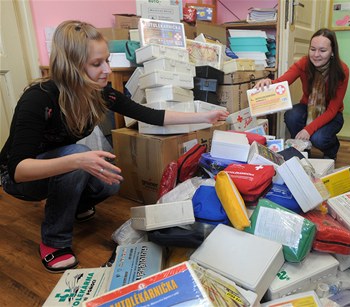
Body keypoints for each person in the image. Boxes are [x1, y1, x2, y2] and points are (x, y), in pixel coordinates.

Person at [0, 20, 228, 273]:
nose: (107, 70)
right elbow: (18, 170)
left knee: (112, 181)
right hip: (18, 178)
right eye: (97, 64)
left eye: (107, 60)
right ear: (71, 66)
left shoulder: (99, 94)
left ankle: (76, 204)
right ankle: (54, 241)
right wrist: (78, 161)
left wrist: (204, 117)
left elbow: (153, 115)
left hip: (57, 164)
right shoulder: (39, 98)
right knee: (78, 155)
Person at [254, 28, 349, 160]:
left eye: (322, 50)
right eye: (312, 49)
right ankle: (303, 148)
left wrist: (308, 130)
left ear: (332, 52)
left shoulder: (342, 70)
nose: (316, 54)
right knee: (292, 116)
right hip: (308, 106)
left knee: (319, 139)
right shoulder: (304, 63)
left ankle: (332, 148)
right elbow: (282, 82)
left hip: (331, 113)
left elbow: (332, 110)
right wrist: (269, 82)